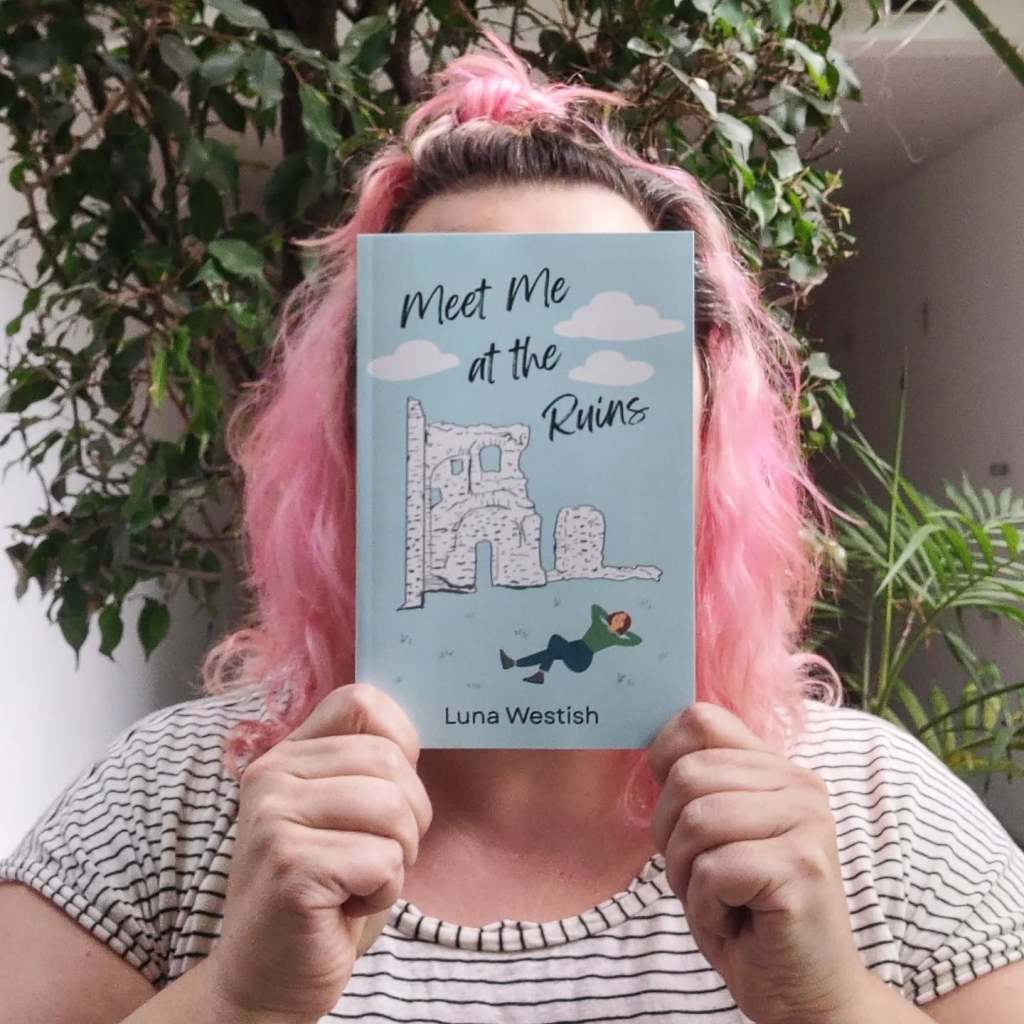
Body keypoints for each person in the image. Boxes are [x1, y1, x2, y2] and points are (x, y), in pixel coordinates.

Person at [2, 31, 1023, 1024]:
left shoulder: (868, 810)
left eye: (612, 359)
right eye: (445, 331)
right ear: (352, 427)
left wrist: (828, 1002)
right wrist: (238, 998)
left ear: (708, 422)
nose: (540, 409)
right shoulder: (182, 795)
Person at [500, 604, 642, 683]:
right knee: (549, 652)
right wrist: (607, 620)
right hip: (576, 646)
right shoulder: (599, 623)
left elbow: (636, 640)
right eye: (619, 616)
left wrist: (621, 633)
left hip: (582, 658)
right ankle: (517, 665)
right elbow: (595, 608)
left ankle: (534, 671)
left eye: (623, 620)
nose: (619, 619)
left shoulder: (614, 638)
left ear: (623, 625)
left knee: (555, 640)